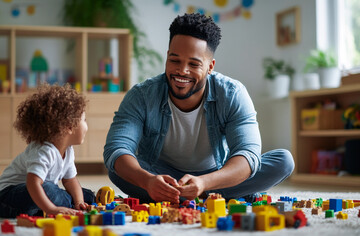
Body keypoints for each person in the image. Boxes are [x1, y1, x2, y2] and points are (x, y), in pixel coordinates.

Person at [104, 13, 294, 204]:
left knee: (283, 161)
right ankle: (204, 195)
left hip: (215, 177)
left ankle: (192, 195)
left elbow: (248, 154)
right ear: (167, 56)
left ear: (210, 66)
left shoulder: (233, 94)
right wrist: (147, 180)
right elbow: (117, 148)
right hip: (159, 176)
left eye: (194, 64)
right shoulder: (141, 95)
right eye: (175, 60)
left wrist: (203, 183)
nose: (182, 71)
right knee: (117, 168)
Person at [0, 84, 95, 218]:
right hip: (8, 197)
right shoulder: (44, 150)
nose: (86, 125)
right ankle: (56, 205)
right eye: (84, 120)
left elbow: (70, 180)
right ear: (69, 126)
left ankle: (62, 203)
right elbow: (33, 183)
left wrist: (79, 201)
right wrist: (51, 209)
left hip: (34, 197)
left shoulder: (68, 150)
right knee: (49, 189)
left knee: (84, 195)